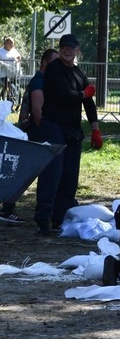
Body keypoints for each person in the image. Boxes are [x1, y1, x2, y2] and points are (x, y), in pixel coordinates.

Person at [34, 34, 102, 236]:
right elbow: (66, 96)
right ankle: (43, 219)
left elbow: (88, 102)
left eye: (71, 47)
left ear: (77, 50)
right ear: (60, 48)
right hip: (53, 126)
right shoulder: (53, 69)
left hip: (72, 130)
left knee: (70, 176)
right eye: (64, 47)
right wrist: (84, 94)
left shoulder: (79, 73)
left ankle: (60, 218)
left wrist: (95, 128)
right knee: (52, 174)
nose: (67, 50)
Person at [0, 49, 59, 224]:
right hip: (35, 131)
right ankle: (8, 208)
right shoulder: (40, 82)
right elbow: (36, 110)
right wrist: (46, 132)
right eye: (55, 62)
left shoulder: (44, 80)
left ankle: (9, 208)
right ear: (45, 63)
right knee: (22, 173)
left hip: (33, 130)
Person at [0, 36, 21, 102]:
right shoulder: (1, 51)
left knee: (12, 86)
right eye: (11, 43)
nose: (12, 45)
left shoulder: (14, 50)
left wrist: (17, 59)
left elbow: (19, 56)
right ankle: (3, 99)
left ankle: (10, 100)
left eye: (13, 43)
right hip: (3, 73)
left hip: (13, 72)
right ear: (6, 43)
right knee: (5, 86)